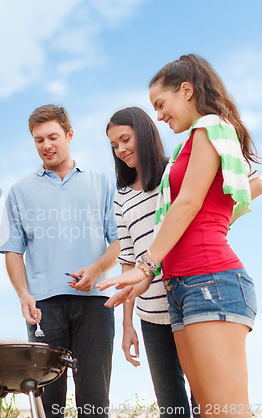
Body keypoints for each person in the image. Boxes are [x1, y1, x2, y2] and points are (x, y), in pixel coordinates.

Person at [98, 54, 258, 417]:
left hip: (211, 280)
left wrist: (145, 266)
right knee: (206, 411)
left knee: (225, 411)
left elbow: (186, 205)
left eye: (161, 104)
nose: (159, 114)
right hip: (182, 287)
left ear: (186, 91)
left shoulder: (210, 128)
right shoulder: (191, 144)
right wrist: (147, 276)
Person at [0, 105, 120, 418]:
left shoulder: (102, 182)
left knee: (94, 401)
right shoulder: (20, 191)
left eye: (52, 137)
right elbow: (13, 250)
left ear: (69, 135)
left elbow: (118, 241)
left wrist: (96, 270)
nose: (46, 145)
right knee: (46, 403)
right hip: (44, 307)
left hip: (96, 302)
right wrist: (23, 294)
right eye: (38, 140)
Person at [107, 106, 200, 418]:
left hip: (190, 300)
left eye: (125, 139)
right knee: (171, 406)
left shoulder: (175, 173)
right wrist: (127, 325)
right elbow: (128, 261)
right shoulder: (121, 197)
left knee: (206, 397)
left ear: (144, 134)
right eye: (114, 146)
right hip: (151, 314)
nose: (121, 150)